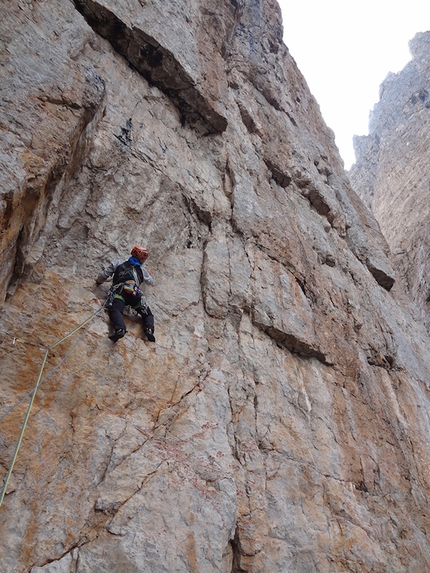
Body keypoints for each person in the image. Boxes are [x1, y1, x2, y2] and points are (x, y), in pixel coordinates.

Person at [96, 246, 156, 343]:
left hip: (120, 292)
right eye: (143, 259)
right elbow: (150, 281)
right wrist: (148, 275)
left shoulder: (118, 263)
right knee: (148, 314)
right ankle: (149, 329)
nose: (143, 260)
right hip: (135, 294)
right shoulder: (142, 270)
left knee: (116, 310)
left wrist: (98, 282)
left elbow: (104, 275)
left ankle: (120, 329)